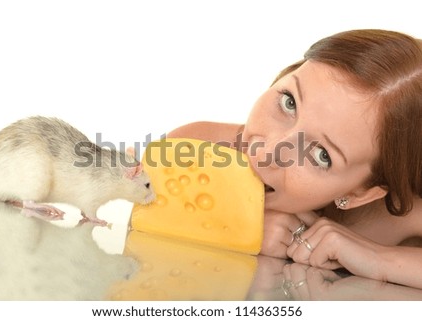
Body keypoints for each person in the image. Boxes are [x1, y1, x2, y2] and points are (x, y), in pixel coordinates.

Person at [167, 29, 422, 289]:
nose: (267, 154)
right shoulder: (194, 148)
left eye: (321, 155)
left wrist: (379, 259)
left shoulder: (395, 214)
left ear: (362, 193)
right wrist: (235, 228)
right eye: (289, 102)